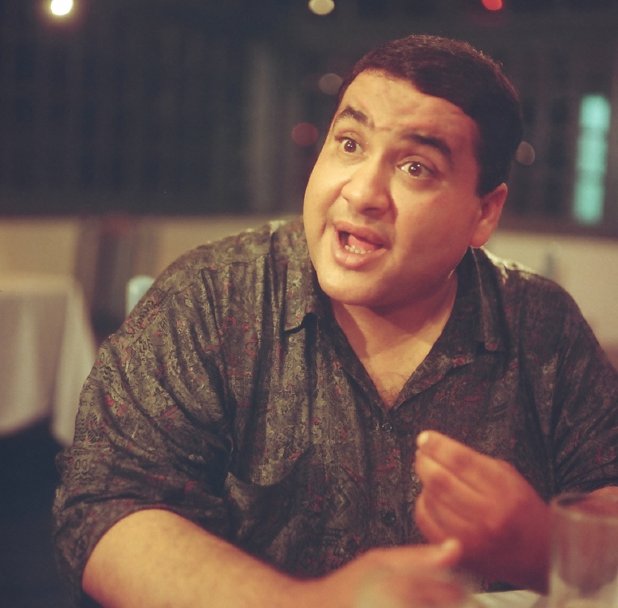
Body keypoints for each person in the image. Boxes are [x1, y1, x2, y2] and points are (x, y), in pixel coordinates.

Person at [53, 33, 618, 607]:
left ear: (484, 213)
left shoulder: (541, 327)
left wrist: (544, 547)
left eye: (416, 167)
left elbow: (606, 491)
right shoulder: (210, 299)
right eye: (350, 144)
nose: (364, 192)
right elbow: (106, 509)